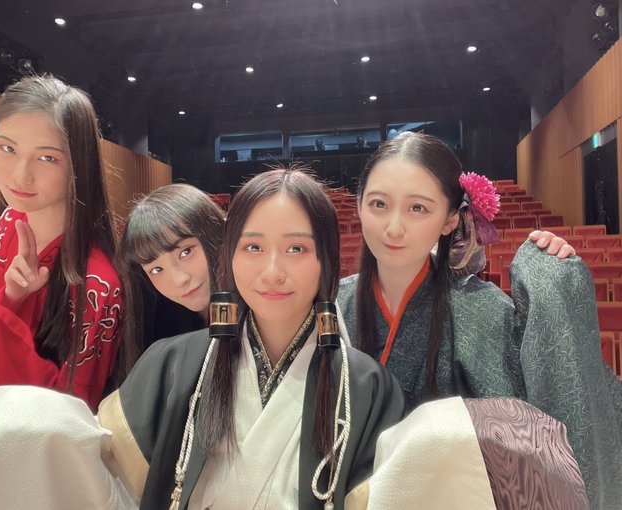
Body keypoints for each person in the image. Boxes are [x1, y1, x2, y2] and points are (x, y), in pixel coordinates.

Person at [336, 131, 622, 508]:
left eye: (417, 208)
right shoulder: (332, 306)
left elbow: (531, 438)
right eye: (378, 204)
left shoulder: (481, 310)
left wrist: (556, 288)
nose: (393, 227)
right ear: (358, 205)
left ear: (450, 220)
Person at [98, 168, 406, 509]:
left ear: (327, 259)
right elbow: (105, 479)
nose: (272, 272)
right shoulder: (168, 365)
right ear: (229, 254)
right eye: (253, 247)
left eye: (296, 248)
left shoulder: (368, 389)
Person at [0, 75, 121, 409]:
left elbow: (75, 408)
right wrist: (13, 298)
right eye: (8, 148)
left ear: (79, 165)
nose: (20, 175)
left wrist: (0, 344)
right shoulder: (11, 220)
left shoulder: (97, 282)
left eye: (47, 158)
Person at [116, 183, 224, 383]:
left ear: (215, 235)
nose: (179, 280)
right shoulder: (161, 333)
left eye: (186, 252)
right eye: (156, 270)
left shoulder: (253, 314)